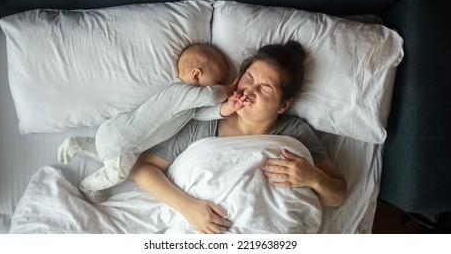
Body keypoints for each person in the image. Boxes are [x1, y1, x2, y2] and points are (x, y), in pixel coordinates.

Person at [131, 41, 348, 234]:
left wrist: (313, 177)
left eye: (265, 89)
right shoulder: (205, 119)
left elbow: (337, 196)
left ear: (284, 105)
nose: (249, 92)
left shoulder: (295, 134)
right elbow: (143, 169)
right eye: (249, 79)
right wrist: (188, 207)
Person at [57, 43, 244, 203]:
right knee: (118, 173)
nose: (220, 85)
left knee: (108, 153)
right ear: (196, 76)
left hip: (113, 131)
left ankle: (78, 144)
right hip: (125, 143)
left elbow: (202, 114)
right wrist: (230, 88)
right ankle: (87, 186)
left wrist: (228, 108)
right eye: (217, 81)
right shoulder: (179, 92)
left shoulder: (185, 102)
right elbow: (212, 96)